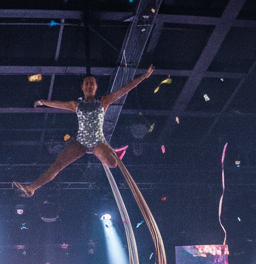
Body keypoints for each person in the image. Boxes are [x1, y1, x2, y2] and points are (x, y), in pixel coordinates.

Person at [13, 66, 154, 197]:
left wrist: (143, 77)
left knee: (113, 163)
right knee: (58, 165)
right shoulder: (76, 105)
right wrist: (43, 102)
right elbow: (58, 104)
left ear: (96, 87)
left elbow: (124, 90)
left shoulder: (103, 102)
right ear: (82, 87)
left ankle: (107, 153)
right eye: (87, 84)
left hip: (98, 141)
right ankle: (32, 188)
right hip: (80, 142)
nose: (89, 86)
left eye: (92, 84)